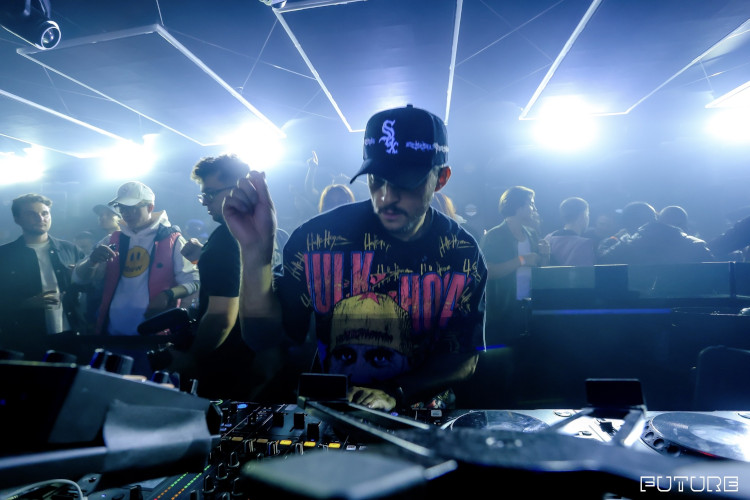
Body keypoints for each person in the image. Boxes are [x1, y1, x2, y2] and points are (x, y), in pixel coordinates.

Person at [223, 104, 487, 411]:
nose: (386, 197)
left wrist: (395, 393)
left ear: (441, 178)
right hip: (335, 415)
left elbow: (465, 358)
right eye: (376, 179)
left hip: (425, 416)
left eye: (405, 182)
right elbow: (263, 339)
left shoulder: (461, 252)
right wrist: (256, 256)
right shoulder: (318, 238)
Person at [175, 154, 281, 401]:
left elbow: (221, 317)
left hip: (226, 369)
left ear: (237, 189)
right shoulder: (266, 231)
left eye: (211, 193)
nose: (205, 202)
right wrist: (205, 256)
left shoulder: (225, 239)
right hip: (257, 364)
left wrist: (191, 358)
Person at [73, 181, 199, 372]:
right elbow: (79, 279)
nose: (127, 213)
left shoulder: (173, 240)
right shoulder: (112, 239)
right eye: (122, 208)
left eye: (133, 207)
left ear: (150, 207)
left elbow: (195, 281)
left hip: (155, 341)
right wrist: (91, 261)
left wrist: (168, 295)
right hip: (111, 337)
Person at [0, 194, 85, 359]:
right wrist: (24, 303)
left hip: (71, 335)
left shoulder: (70, 249)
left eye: (45, 213)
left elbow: (89, 288)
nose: (40, 218)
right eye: (31, 214)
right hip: (25, 338)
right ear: (17, 219)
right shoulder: (4, 255)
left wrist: (81, 275)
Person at [544, 196, 595, 266]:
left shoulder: (547, 238)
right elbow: (585, 271)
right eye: (587, 214)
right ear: (582, 215)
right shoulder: (584, 244)